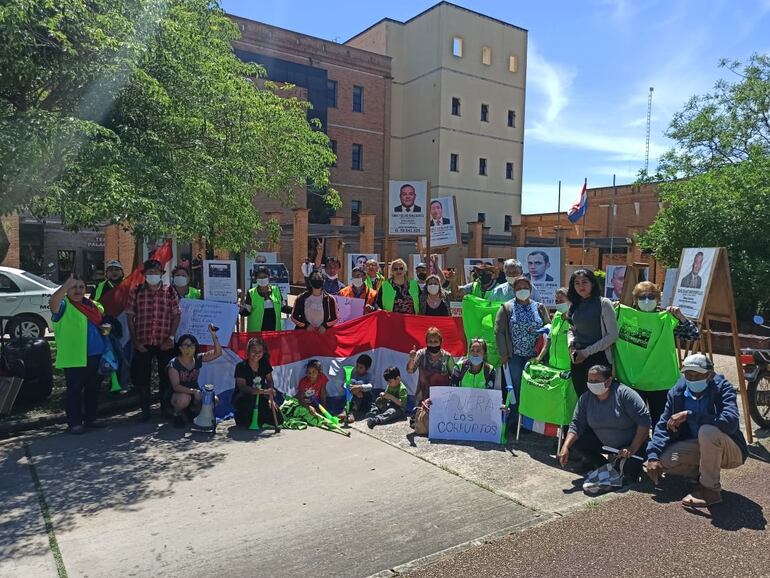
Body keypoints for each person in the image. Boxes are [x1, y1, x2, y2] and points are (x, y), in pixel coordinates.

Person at [646, 354, 748, 508]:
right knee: (664, 460)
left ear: (710, 375)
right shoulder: (677, 392)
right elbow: (663, 425)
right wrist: (653, 455)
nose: (692, 379)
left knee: (707, 431)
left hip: (730, 450)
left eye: (697, 375)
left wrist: (690, 415)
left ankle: (711, 491)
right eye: (688, 374)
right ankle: (699, 477)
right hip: (698, 446)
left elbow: (731, 422)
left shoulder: (722, 387)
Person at [615, 281, 701, 426]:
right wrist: (608, 310)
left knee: (661, 423)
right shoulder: (621, 315)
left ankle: (659, 448)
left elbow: (694, 335)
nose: (646, 300)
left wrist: (681, 316)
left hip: (660, 383)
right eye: (642, 297)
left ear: (657, 299)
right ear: (635, 300)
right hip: (631, 383)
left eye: (650, 296)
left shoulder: (666, 319)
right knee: (634, 424)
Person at [559, 365, 650, 480]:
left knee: (629, 474)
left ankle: (625, 464)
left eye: (596, 381)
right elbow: (576, 424)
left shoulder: (625, 394)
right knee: (576, 441)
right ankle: (604, 465)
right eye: (590, 381)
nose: (592, 384)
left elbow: (644, 420)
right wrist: (565, 447)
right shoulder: (585, 398)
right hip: (604, 444)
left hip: (632, 445)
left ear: (608, 381)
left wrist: (632, 447)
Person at [50, 274, 108, 434]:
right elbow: (52, 303)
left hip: (95, 354)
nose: (77, 290)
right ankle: (75, 423)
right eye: (73, 287)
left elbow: (101, 320)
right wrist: (63, 286)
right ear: (67, 289)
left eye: (81, 287)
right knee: (74, 391)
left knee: (93, 389)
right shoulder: (63, 305)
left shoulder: (94, 306)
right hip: (74, 357)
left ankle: (91, 419)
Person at [127, 259, 181, 421]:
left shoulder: (170, 292)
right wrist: (135, 341)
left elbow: (176, 315)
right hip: (143, 342)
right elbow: (130, 316)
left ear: (161, 275)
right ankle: (145, 411)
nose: (152, 275)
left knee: (166, 377)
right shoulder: (136, 291)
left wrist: (171, 338)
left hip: (164, 342)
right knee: (142, 378)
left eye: (156, 273)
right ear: (144, 274)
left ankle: (165, 409)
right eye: (149, 272)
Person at [494, 276, 550, 421]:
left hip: (536, 357)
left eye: (525, 287)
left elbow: (548, 329)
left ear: (530, 289)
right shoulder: (507, 308)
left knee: (533, 389)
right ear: (514, 290)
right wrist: (504, 353)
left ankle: (531, 422)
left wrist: (544, 353)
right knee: (516, 388)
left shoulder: (539, 307)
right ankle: (514, 421)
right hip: (515, 356)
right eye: (518, 288)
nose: (522, 290)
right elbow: (499, 331)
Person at [566, 269, 618, 397]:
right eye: (577, 283)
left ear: (592, 284)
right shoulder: (574, 305)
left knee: (599, 398)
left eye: (584, 282)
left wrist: (586, 352)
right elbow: (571, 329)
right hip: (577, 358)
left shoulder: (604, 303)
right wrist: (571, 346)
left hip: (599, 358)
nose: (581, 286)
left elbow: (612, 335)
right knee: (582, 397)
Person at [168, 326, 222, 428]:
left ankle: (195, 413)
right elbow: (176, 386)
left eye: (192, 345)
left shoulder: (198, 358)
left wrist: (213, 335)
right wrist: (193, 391)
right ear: (180, 347)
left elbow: (218, 353)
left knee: (214, 400)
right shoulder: (174, 363)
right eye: (186, 345)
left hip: (195, 394)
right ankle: (177, 414)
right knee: (184, 398)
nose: (189, 348)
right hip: (179, 394)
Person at [232, 337, 284, 429]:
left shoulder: (264, 363)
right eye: (254, 350)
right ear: (248, 351)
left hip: (261, 397)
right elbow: (243, 387)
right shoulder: (240, 366)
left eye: (260, 351)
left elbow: (270, 381)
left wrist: (270, 397)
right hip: (244, 398)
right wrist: (263, 391)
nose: (257, 354)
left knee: (279, 419)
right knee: (244, 423)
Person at [407, 327, 455, 406]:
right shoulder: (421, 354)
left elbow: (454, 377)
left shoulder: (447, 357)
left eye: (435, 341)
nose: (433, 344)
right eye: (430, 341)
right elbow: (410, 370)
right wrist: (411, 359)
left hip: (443, 399)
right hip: (423, 399)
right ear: (426, 342)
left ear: (440, 342)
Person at [242, 266, 291, 331]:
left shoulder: (276, 290)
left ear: (268, 277)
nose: (263, 279)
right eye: (260, 277)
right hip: (256, 331)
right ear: (256, 279)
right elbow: (247, 312)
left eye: (265, 277)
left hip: (274, 330)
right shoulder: (251, 293)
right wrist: (240, 309)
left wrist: (296, 309)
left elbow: (283, 307)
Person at [537, 287, 571, 370]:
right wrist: (539, 357)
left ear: (570, 300)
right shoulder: (557, 315)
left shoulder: (575, 318)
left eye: (561, 301)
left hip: (568, 367)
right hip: (553, 365)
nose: (558, 303)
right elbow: (549, 339)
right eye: (557, 301)